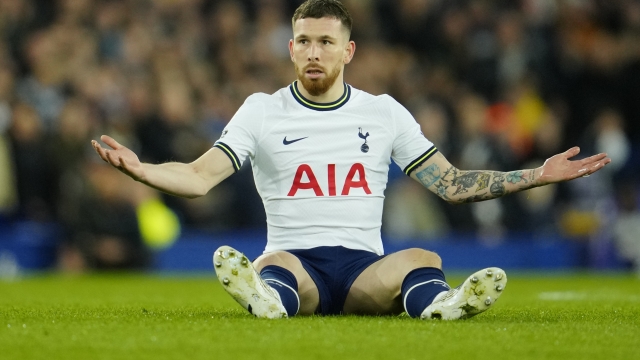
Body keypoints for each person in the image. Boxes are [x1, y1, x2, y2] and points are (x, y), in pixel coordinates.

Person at [92, 0, 611, 320]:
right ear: (291, 49)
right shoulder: (262, 110)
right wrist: (144, 170)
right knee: (276, 267)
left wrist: (537, 175)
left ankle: (441, 306)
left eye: (325, 42)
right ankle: (269, 300)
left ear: (349, 51)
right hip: (297, 261)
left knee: (422, 260)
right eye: (303, 41)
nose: (313, 52)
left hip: (364, 269)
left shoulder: (383, 112)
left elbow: (450, 183)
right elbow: (201, 176)